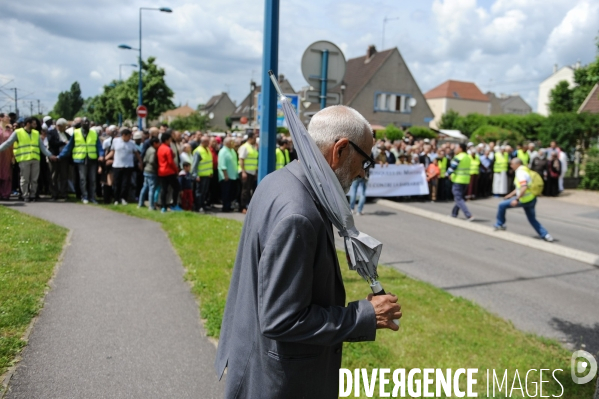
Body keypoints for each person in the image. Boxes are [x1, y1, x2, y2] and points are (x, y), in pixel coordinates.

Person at [215, 105, 401, 399]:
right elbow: (281, 318)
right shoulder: (299, 213)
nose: (363, 174)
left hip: (258, 359)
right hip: (280, 382)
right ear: (340, 149)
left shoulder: (280, 180)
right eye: (365, 162)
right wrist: (365, 315)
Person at [494, 158, 554, 242]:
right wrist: (510, 195)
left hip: (524, 200)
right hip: (532, 199)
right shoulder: (526, 170)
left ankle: (500, 224)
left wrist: (517, 199)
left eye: (512, 164)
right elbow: (520, 187)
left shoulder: (520, 173)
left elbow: (524, 187)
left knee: (501, 205)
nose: (511, 166)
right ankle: (546, 235)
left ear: (517, 164)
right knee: (532, 219)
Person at [0, 116, 56, 202]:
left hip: (35, 159)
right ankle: (25, 195)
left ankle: (33, 195)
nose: (35, 125)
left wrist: (50, 155)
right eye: (33, 123)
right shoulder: (18, 132)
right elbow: (8, 143)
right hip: (24, 159)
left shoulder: (36, 133)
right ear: (28, 123)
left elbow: (42, 147)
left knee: (34, 179)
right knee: (24, 179)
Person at [58, 117, 103, 204]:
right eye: (84, 122)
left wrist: (101, 155)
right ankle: (84, 196)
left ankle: (92, 197)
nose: (86, 123)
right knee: (83, 179)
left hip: (92, 159)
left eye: (87, 122)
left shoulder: (94, 133)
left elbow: (99, 146)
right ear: (81, 124)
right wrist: (60, 156)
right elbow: (69, 146)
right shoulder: (76, 133)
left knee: (92, 179)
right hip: (81, 159)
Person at [107, 128, 142, 205]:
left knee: (125, 183)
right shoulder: (116, 141)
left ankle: (124, 198)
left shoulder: (132, 143)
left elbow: (136, 153)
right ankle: (116, 199)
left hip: (128, 166)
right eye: (129, 136)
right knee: (117, 183)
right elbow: (112, 152)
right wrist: (106, 158)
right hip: (117, 165)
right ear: (124, 135)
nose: (130, 137)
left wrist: (140, 162)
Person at [446, 143, 474, 221]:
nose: (455, 149)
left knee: (458, 198)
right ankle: (454, 213)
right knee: (459, 198)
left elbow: (452, 168)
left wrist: (447, 174)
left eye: (456, 148)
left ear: (460, 148)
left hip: (458, 179)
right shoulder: (467, 157)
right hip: (466, 180)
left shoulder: (458, 157)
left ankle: (469, 215)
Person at [47, 118, 71, 200]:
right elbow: (52, 143)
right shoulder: (51, 133)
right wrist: (63, 142)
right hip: (54, 157)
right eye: (64, 127)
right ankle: (54, 194)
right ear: (59, 126)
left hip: (64, 158)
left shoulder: (67, 134)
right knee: (54, 176)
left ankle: (64, 193)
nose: (65, 128)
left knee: (64, 176)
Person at [157, 132, 181, 213]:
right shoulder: (168, 149)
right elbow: (171, 162)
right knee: (176, 188)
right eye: (170, 139)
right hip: (169, 171)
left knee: (164, 189)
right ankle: (174, 205)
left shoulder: (160, 148)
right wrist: (176, 170)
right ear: (166, 140)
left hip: (161, 171)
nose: (170, 141)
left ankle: (163, 206)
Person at [238, 131, 258, 214]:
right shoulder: (244, 147)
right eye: (254, 138)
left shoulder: (252, 147)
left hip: (252, 172)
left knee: (249, 190)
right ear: (250, 138)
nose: (256, 139)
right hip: (246, 172)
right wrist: (243, 171)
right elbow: (241, 159)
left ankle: (247, 205)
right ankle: (242, 207)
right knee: (245, 190)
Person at [191, 136, 213, 212]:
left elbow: (209, 162)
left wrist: (210, 172)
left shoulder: (207, 149)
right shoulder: (198, 151)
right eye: (207, 142)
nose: (208, 143)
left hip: (207, 174)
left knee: (204, 192)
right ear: (203, 142)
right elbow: (194, 165)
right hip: (200, 175)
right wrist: (195, 175)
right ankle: (198, 206)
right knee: (199, 192)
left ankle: (203, 205)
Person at [218, 137, 239, 212]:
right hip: (226, 176)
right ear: (227, 143)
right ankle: (225, 207)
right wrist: (225, 175)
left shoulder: (232, 150)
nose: (233, 143)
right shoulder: (223, 151)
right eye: (231, 142)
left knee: (231, 192)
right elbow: (222, 165)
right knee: (226, 193)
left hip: (233, 176)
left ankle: (229, 205)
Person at [138, 137, 159, 210]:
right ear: (154, 143)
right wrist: (157, 167)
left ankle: (140, 203)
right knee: (151, 189)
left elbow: (144, 159)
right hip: (151, 171)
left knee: (144, 187)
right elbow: (152, 161)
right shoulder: (153, 151)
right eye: (158, 143)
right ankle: (151, 206)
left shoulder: (148, 149)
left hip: (146, 170)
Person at [0, 116, 13, 200]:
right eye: (6, 116)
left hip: (7, 154)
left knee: (6, 174)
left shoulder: (10, 130)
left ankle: (6, 193)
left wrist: (13, 156)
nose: (8, 118)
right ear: (1, 118)